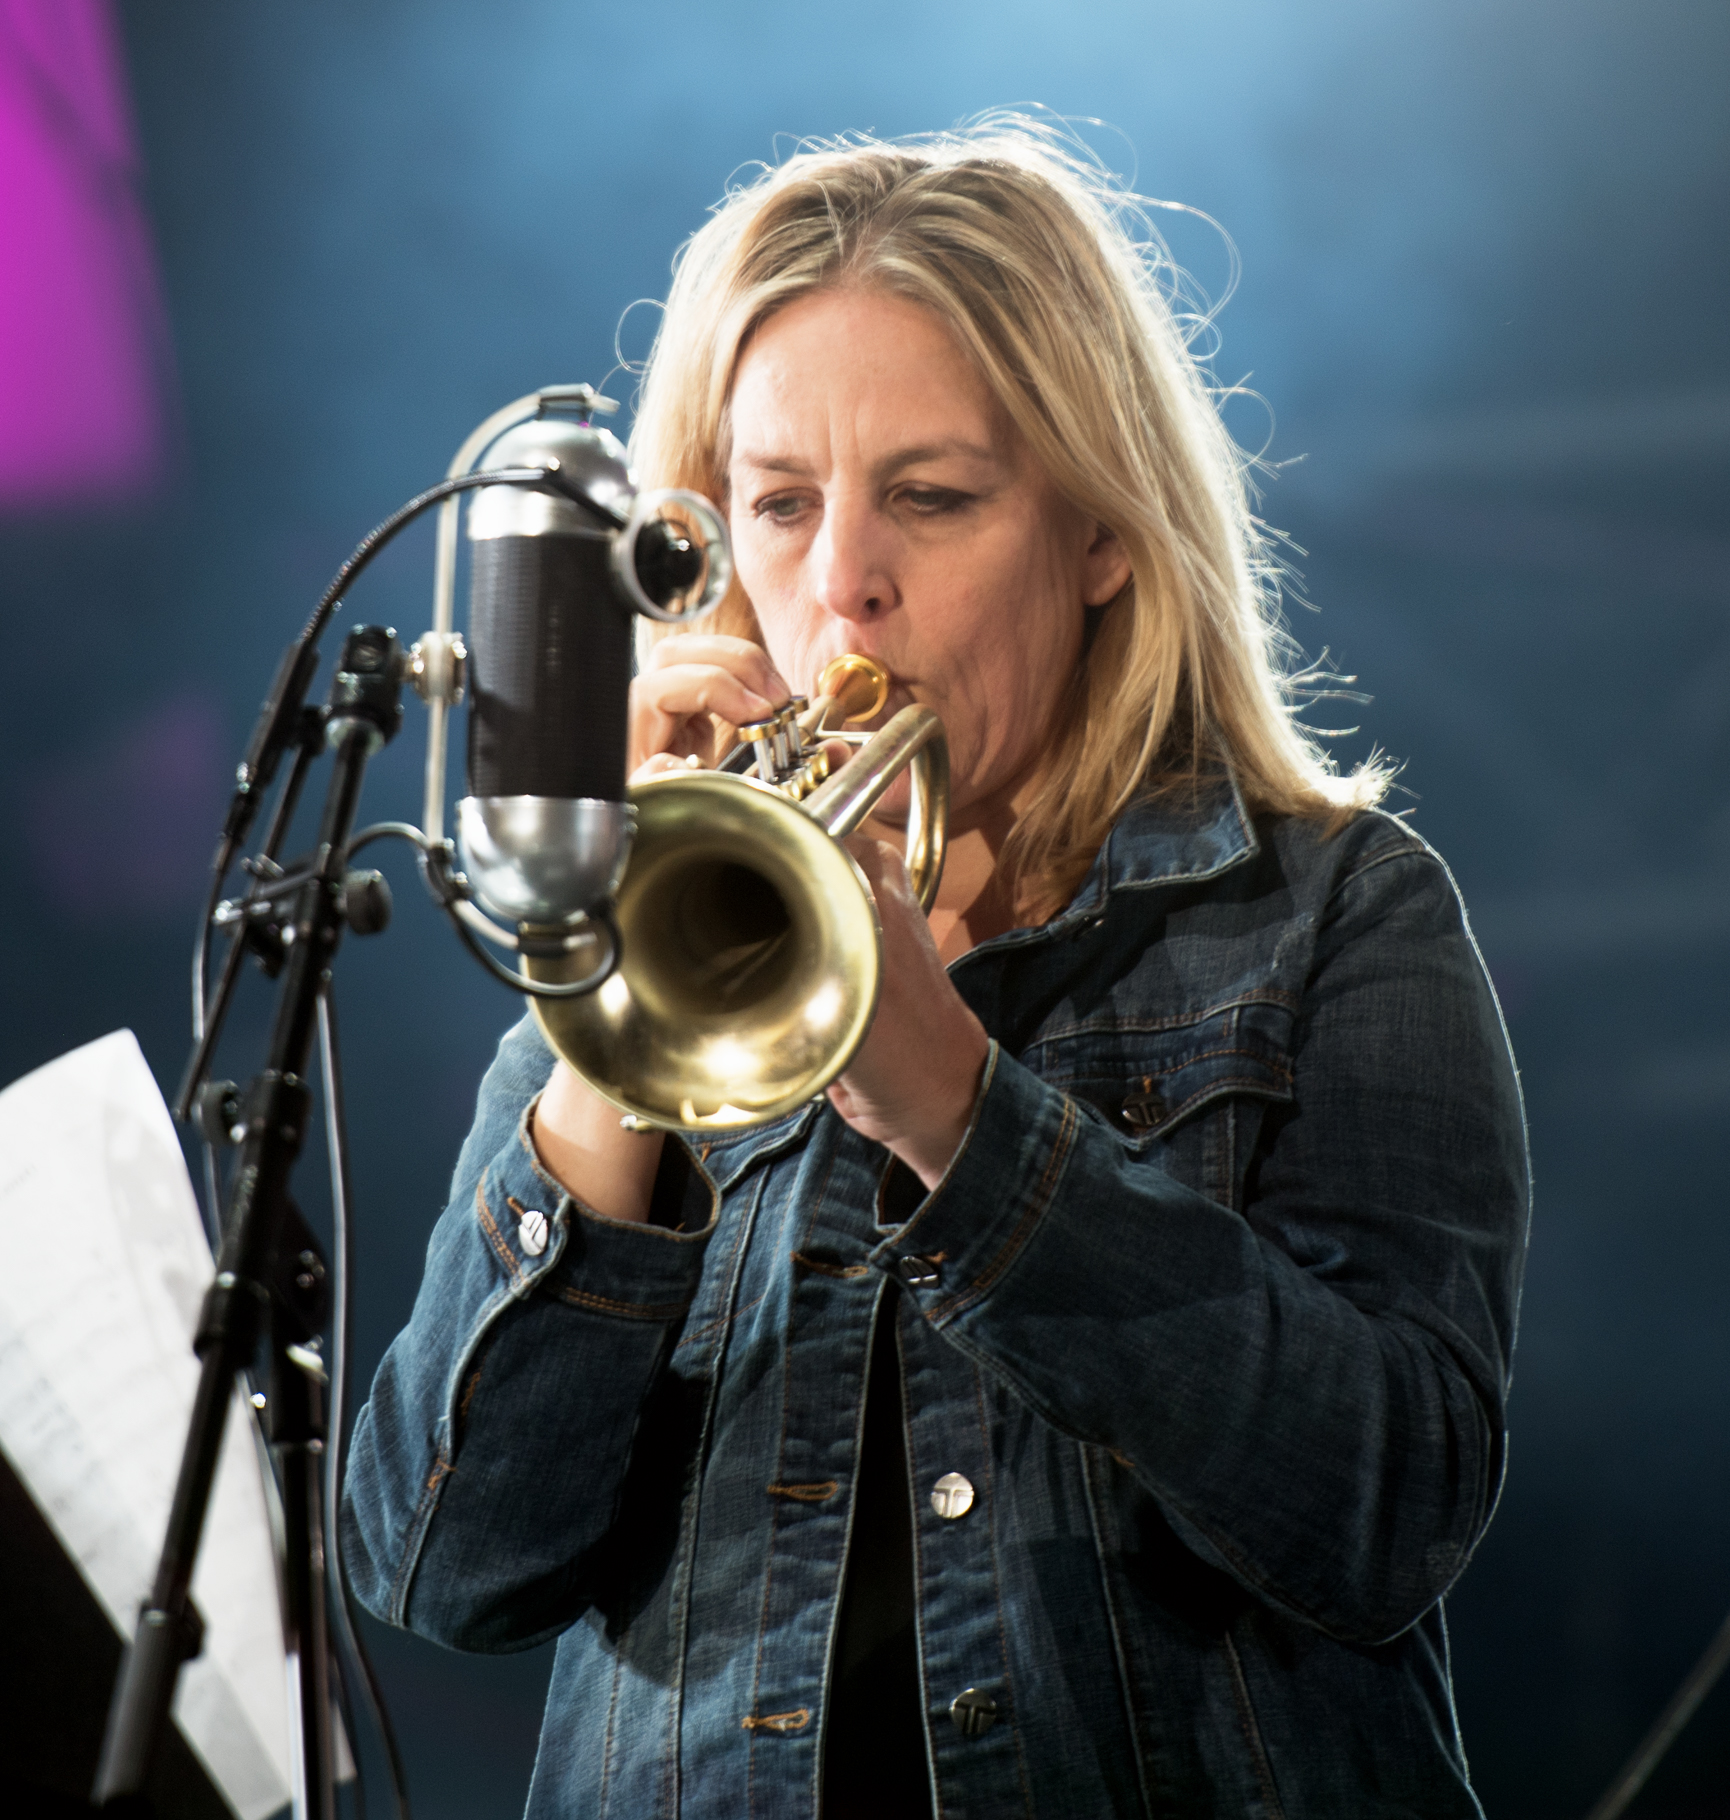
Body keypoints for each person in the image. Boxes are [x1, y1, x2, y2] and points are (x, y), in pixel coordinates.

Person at [343, 123, 1529, 1818]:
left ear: (1103, 534)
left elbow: (1385, 1504)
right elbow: (448, 1567)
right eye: (777, 504)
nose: (842, 588)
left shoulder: (1334, 909)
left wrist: (958, 1117)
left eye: (931, 496)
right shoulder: (655, 922)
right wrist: (608, 1041)